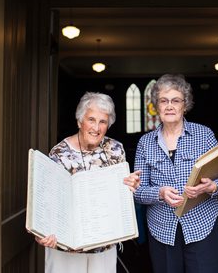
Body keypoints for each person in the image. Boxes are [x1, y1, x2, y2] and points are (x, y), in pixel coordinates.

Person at [133, 74, 218, 273]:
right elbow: (138, 191)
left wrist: (213, 186)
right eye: (163, 101)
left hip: (201, 224)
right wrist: (160, 193)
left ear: (185, 104)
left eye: (176, 100)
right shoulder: (145, 143)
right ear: (156, 105)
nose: (169, 106)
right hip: (162, 228)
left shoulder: (203, 134)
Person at [35, 92, 141, 273]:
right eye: (91, 119)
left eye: (103, 122)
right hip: (67, 246)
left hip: (103, 244)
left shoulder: (115, 149)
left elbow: (120, 195)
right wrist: (42, 233)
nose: (96, 127)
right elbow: (46, 200)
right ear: (79, 121)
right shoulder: (59, 153)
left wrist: (130, 187)